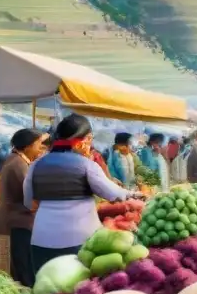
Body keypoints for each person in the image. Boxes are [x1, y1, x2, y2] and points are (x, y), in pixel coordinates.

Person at [24, 115, 132, 271]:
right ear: (84, 140)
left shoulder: (36, 164)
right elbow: (112, 194)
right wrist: (131, 194)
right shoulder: (87, 165)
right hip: (79, 240)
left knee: (45, 289)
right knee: (76, 291)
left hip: (42, 238)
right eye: (89, 139)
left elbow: (28, 201)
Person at [0, 129, 48, 287]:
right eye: (38, 144)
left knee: (22, 264)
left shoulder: (18, 160)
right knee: (24, 267)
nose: (40, 148)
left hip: (18, 220)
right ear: (27, 147)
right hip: (18, 222)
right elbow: (31, 197)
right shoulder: (18, 164)